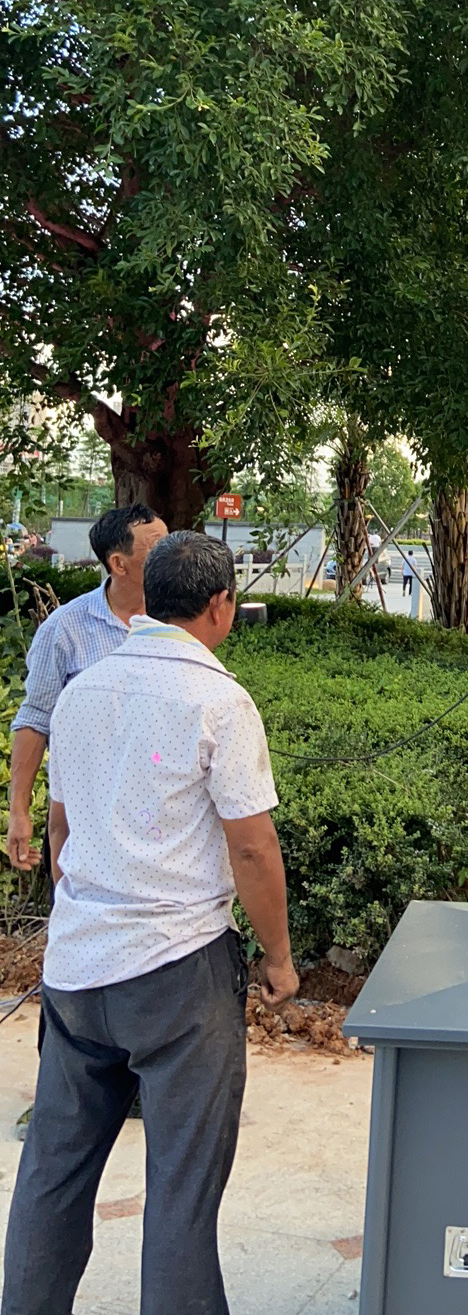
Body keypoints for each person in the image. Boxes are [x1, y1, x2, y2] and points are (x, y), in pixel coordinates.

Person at [1, 531, 298, 1315]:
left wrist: (92, 908)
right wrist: (279, 958)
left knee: (52, 1179)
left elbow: (61, 833)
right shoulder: (219, 702)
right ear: (220, 606)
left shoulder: (85, 690)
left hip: (75, 972)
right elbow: (253, 849)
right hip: (178, 974)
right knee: (181, 1195)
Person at [6, 504, 168, 874]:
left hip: (161, 820)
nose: (169, 555)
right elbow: (35, 720)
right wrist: (19, 811)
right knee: (80, 922)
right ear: (118, 563)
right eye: (156, 548)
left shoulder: (177, 622)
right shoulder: (65, 630)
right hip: (82, 820)